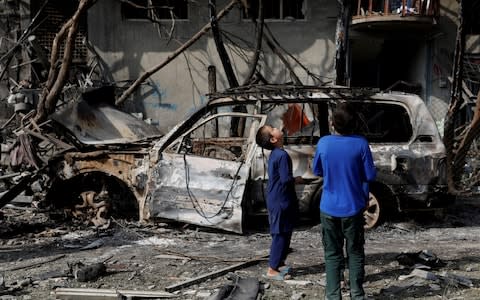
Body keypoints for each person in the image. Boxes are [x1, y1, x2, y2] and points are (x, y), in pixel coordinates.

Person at [312, 102, 376, 299]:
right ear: (354, 124)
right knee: (355, 252)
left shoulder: (323, 143)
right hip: (354, 208)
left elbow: (317, 170)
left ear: (332, 123)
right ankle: (357, 294)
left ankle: (333, 295)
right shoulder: (361, 144)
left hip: (329, 207)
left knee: (332, 254)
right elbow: (369, 176)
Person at [256, 124, 303, 280]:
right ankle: (272, 268)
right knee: (280, 234)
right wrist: (296, 179)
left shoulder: (278, 153)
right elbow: (285, 179)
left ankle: (280, 263)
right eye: (273, 128)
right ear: (274, 138)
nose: (277, 127)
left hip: (280, 198)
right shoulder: (281, 155)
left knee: (286, 230)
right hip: (280, 199)